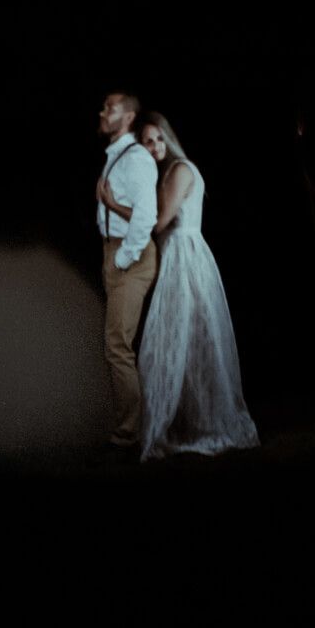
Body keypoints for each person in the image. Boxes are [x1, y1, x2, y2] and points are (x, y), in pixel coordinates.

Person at [101, 109, 259, 459]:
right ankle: (169, 422)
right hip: (180, 256)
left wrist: (115, 206)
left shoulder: (180, 169)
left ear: (168, 138)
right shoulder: (169, 173)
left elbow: (157, 223)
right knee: (179, 342)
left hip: (183, 258)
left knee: (172, 341)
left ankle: (169, 425)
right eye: (147, 142)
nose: (155, 146)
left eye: (158, 139)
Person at [93, 91, 159, 458]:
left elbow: (146, 217)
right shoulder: (117, 157)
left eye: (110, 108)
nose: (102, 112)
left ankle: (125, 441)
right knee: (116, 345)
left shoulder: (136, 159)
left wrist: (122, 259)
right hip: (114, 252)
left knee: (118, 347)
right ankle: (126, 432)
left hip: (128, 255)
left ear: (128, 117)